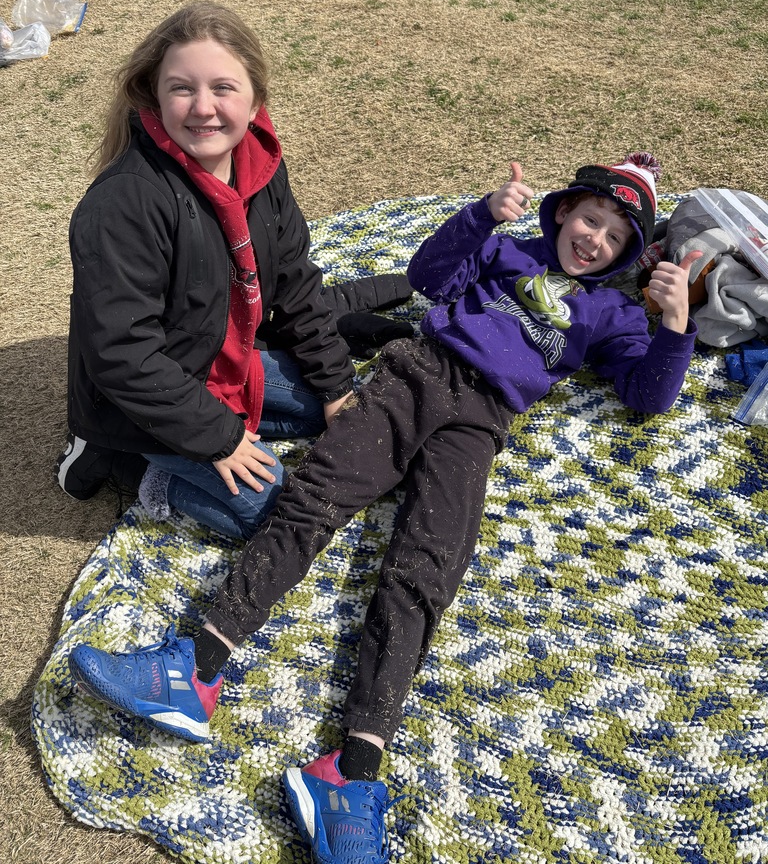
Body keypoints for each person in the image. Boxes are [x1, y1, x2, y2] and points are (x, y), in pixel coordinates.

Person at [69, 152, 702, 864]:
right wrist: (479, 216)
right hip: (416, 377)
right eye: (591, 219)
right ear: (564, 209)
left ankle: (350, 772)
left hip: (479, 425)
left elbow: (647, 398)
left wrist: (677, 329)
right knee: (313, 499)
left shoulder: (612, 313)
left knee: (428, 571)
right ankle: (199, 667)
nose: (595, 240)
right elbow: (430, 276)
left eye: (616, 238)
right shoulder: (511, 249)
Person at [56, 1, 357, 540]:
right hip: (138, 402)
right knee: (279, 515)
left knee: (333, 412)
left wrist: (335, 386)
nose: (203, 108)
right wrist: (219, 437)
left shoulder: (260, 162)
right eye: (181, 88)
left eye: (223, 87)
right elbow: (122, 353)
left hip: (220, 360)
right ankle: (124, 463)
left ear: (255, 98)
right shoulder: (125, 201)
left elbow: (293, 282)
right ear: (153, 93)